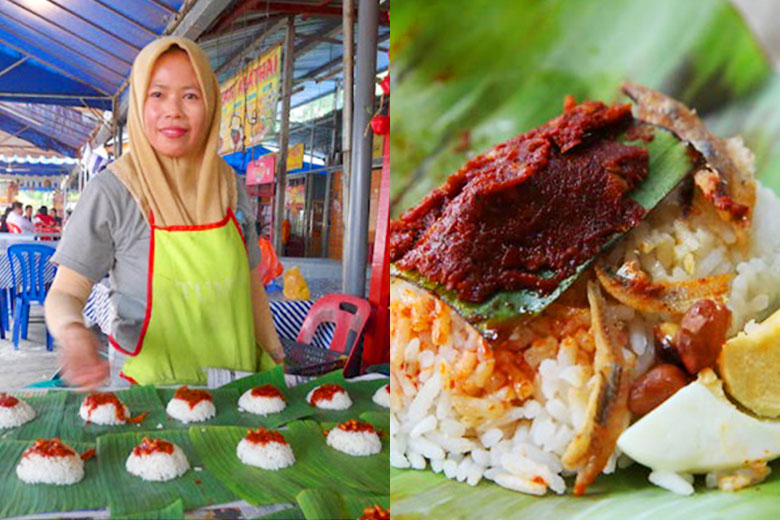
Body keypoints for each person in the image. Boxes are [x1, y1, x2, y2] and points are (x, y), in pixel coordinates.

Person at [44, 37, 285, 390]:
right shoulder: (113, 191)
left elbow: (252, 288)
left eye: (191, 95)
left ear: (212, 105)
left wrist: (277, 357)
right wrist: (72, 333)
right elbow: (65, 293)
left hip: (236, 390)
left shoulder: (230, 187)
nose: (173, 110)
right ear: (140, 104)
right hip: (148, 397)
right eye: (157, 95)